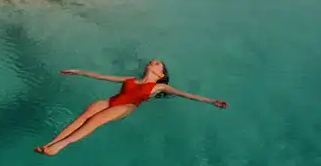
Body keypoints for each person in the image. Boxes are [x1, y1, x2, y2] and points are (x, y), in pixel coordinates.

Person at [33, 59, 228, 156]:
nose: (153, 62)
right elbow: (101, 76)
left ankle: (60, 146)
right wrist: (78, 71)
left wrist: (212, 101)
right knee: (82, 117)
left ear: (161, 74)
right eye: (153, 61)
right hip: (112, 100)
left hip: (126, 106)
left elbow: (187, 94)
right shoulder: (131, 79)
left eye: (158, 64)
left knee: (94, 121)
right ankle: (50, 143)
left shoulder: (160, 86)